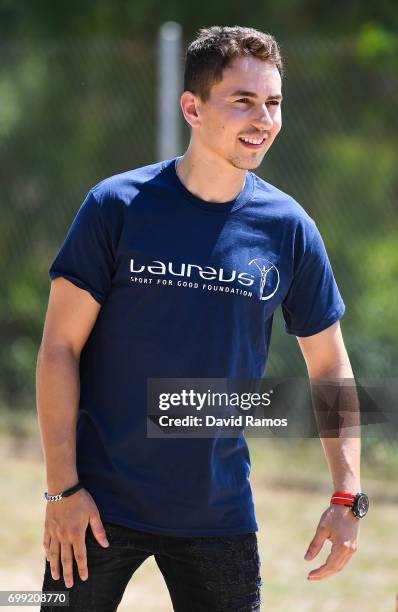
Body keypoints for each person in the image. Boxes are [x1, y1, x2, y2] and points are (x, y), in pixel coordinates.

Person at [37, 25, 366, 612]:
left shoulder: (288, 228)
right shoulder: (116, 206)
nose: (263, 118)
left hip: (218, 514)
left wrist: (347, 496)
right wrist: (61, 488)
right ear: (192, 106)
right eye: (243, 100)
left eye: (274, 102)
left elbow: (329, 364)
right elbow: (59, 347)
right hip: (95, 507)